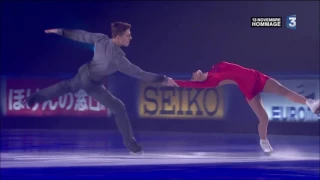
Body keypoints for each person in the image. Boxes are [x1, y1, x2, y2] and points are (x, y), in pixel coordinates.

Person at [24, 22, 178, 154]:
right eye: (127, 35)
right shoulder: (118, 60)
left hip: (89, 76)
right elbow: (140, 74)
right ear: (118, 37)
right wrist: (164, 79)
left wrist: (61, 31)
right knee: (117, 107)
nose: (130, 37)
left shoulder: (101, 39)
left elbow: (81, 35)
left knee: (69, 88)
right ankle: (132, 146)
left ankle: (32, 99)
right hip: (88, 80)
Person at [173, 61, 320, 154]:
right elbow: (186, 84)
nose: (194, 74)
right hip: (248, 89)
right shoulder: (209, 82)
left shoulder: (216, 66)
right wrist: (170, 81)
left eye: (193, 73)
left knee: (283, 91)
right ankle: (263, 141)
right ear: (196, 81)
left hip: (256, 76)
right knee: (264, 117)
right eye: (192, 77)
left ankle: (310, 104)